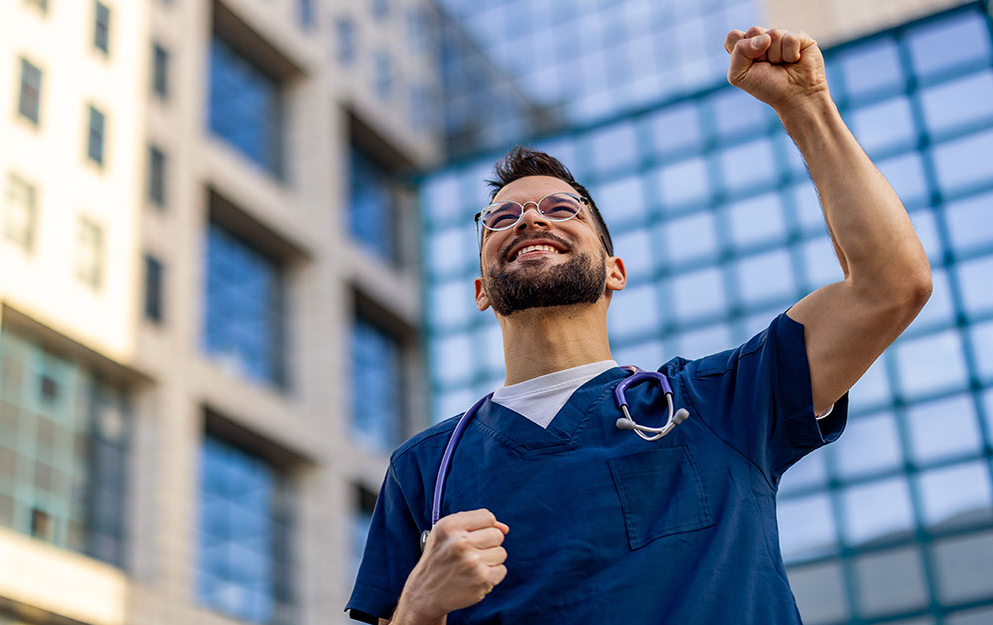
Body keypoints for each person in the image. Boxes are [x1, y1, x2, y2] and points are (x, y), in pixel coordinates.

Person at [346, 26, 932, 624]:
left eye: (561, 209)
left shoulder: (720, 403)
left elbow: (890, 285)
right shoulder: (425, 468)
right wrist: (418, 606)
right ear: (480, 291)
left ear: (614, 271)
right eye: (499, 219)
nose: (527, 219)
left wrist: (805, 106)